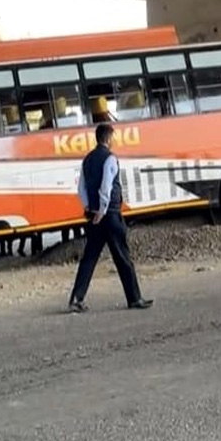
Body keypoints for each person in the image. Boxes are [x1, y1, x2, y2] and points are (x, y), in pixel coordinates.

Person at [68, 123, 152, 313]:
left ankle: (76, 298)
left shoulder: (87, 160)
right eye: (113, 138)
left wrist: (90, 208)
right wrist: (102, 210)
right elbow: (106, 186)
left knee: (89, 258)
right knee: (123, 257)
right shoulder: (110, 159)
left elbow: (81, 189)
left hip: (94, 217)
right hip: (110, 215)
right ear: (108, 138)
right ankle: (134, 298)